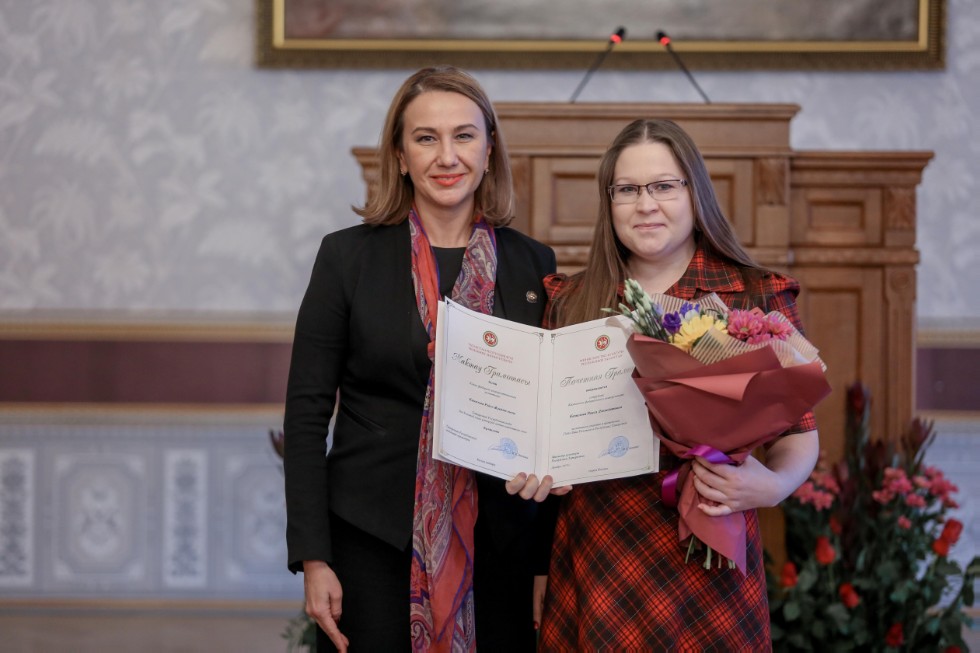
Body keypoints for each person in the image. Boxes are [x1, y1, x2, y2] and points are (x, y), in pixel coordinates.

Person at [282, 66, 560, 652]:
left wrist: (542, 563)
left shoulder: (532, 264)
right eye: (426, 138)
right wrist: (314, 557)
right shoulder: (346, 258)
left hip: (500, 546)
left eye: (464, 135)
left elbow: (546, 424)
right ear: (401, 156)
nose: (447, 156)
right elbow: (307, 416)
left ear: (489, 151)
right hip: (371, 539)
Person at [533, 118, 820, 650]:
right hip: (600, 555)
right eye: (628, 190)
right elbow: (546, 434)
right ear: (609, 200)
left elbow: (800, 433)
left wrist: (774, 486)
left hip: (711, 558)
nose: (646, 204)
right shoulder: (570, 300)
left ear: (695, 193)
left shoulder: (753, 295)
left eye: (664, 186)